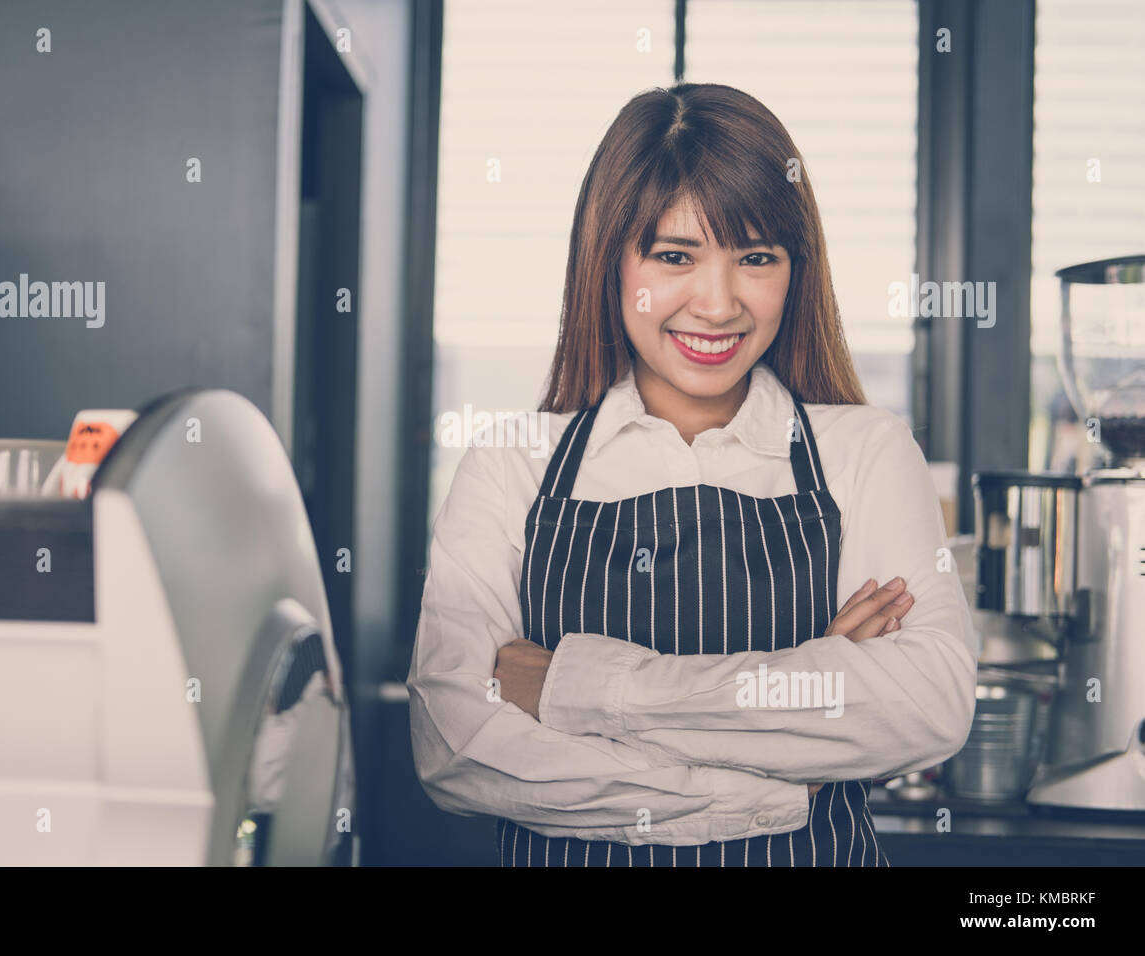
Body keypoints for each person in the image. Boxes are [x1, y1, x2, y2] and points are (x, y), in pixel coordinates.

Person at [406, 82, 979, 867]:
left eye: (755, 258)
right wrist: (790, 731)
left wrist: (575, 688)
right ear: (610, 261)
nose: (716, 303)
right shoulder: (511, 466)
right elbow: (457, 748)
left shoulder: (867, 453)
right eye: (675, 256)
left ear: (795, 270)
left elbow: (925, 707)